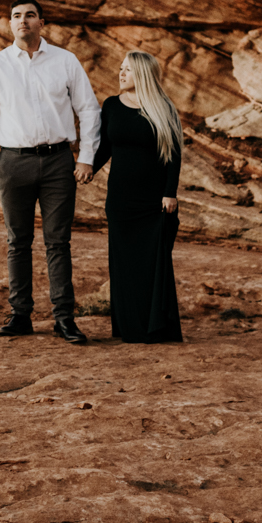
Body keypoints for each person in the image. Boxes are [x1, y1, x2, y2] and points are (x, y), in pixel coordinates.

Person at [0, 0, 101, 344]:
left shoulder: (65, 61)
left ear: (42, 23)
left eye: (30, 15)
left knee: (59, 242)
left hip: (59, 161)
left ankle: (64, 319)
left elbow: (89, 109)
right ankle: (21, 315)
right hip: (13, 162)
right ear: (9, 23)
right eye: (16, 16)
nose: (23, 21)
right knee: (18, 241)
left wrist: (86, 156)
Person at [87, 50, 183, 344]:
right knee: (124, 262)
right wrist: (85, 168)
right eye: (120, 68)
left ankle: (156, 327)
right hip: (120, 199)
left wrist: (170, 193)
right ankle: (130, 328)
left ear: (142, 74)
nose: (121, 73)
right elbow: (105, 147)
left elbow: (174, 154)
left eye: (127, 69)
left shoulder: (163, 107)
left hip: (153, 201)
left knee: (153, 263)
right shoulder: (112, 105)